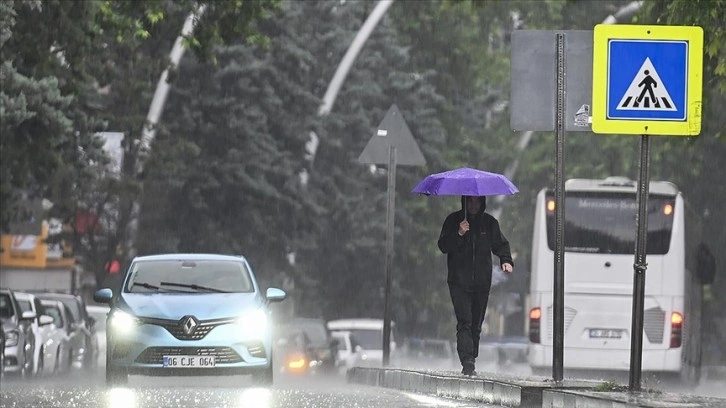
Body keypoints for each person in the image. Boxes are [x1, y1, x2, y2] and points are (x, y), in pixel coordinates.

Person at [438, 195, 514, 376]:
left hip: (481, 282)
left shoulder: (489, 223)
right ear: (464, 201)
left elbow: (500, 244)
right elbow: (443, 245)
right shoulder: (453, 220)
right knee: (465, 321)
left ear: (481, 203)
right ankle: (467, 361)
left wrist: (506, 260)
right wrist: (459, 233)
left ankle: (472, 355)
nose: (473, 205)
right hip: (458, 282)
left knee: (476, 324)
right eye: (469, 201)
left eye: (476, 201)